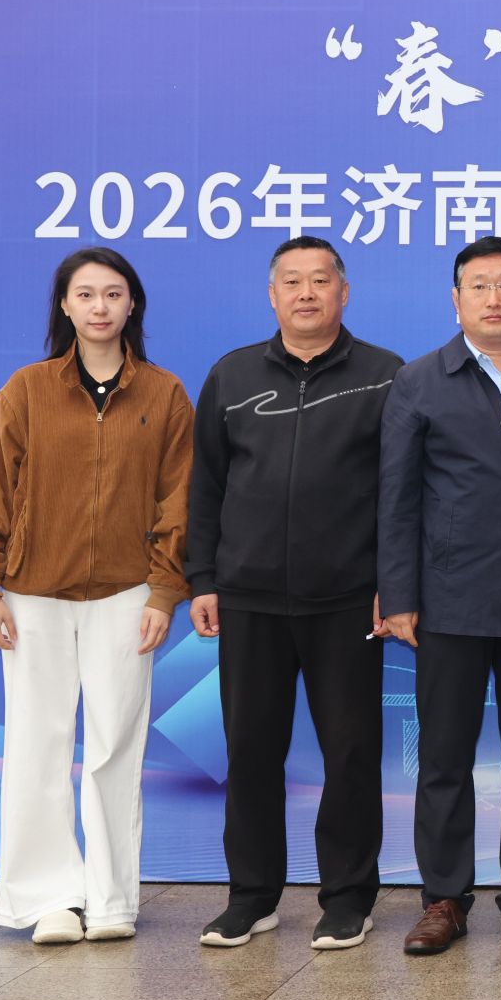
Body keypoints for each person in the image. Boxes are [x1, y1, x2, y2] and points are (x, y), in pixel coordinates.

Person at [0, 247, 192, 944]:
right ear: (64, 305)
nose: (99, 307)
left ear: (132, 304)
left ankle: (112, 900)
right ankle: (48, 900)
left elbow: (179, 501)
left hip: (128, 594)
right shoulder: (26, 390)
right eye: (85, 294)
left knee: (116, 746)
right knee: (38, 745)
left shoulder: (164, 394)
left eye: (112, 294)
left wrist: (163, 592)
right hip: (32, 593)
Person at [187, 236, 404, 950]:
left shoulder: (385, 376)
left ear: (345, 292)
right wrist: (203, 578)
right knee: (250, 751)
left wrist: (393, 584)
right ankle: (252, 896)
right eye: (292, 281)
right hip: (248, 597)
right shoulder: (232, 374)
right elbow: (206, 486)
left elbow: (402, 494)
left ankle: (348, 898)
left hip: (349, 599)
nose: (306, 293)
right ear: (272, 294)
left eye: (320, 280)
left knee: (350, 753)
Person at [377, 236, 501, 956]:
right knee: (444, 757)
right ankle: (442, 898)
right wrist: (398, 594)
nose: (494, 299)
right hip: (448, 600)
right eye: (479, 286)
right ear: (456, 300)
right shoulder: (420, 381)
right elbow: (396, 496)